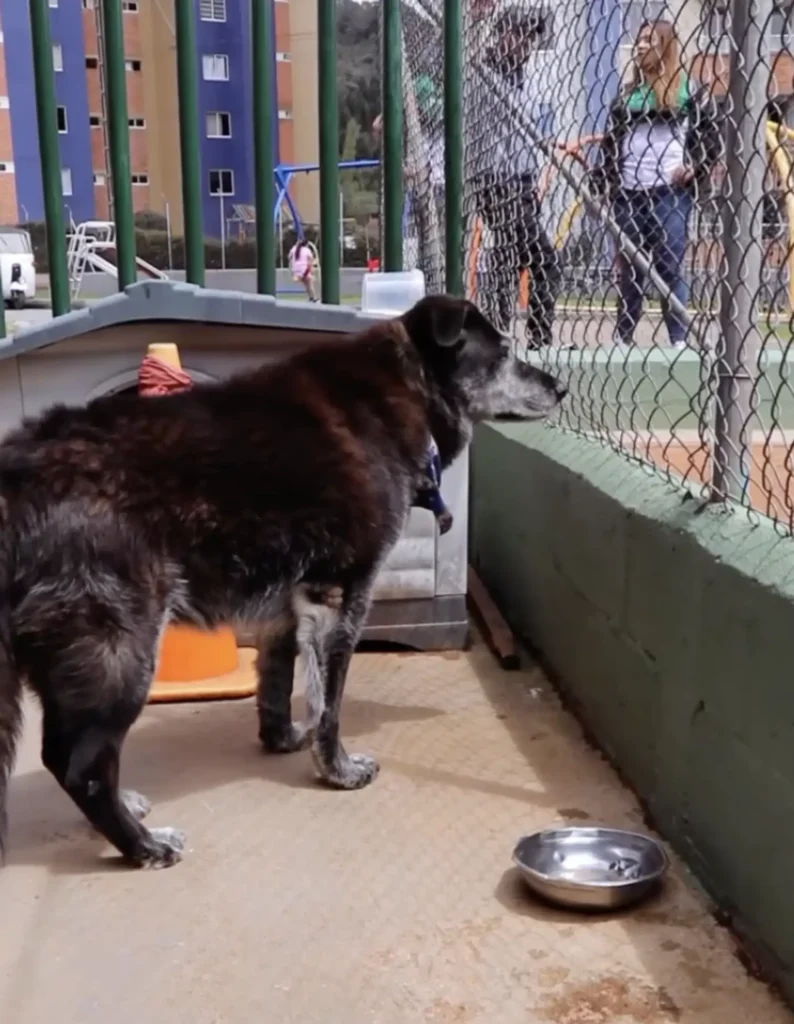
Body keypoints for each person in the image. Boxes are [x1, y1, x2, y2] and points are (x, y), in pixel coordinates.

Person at [559, 18, 722, 349]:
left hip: (668, 194)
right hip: (629, 195)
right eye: (640, 39)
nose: (641, 45)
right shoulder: (628, 96)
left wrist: (695, 166)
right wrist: (601, 186)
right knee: (631, 272)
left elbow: (712, 137)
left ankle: (678, 341)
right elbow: (611, 146)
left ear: (666, 46)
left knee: (669, 267)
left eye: (649, 40)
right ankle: (623, 337)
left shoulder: (688, 92)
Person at [469, 7, 561, 348]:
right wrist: (477, 20)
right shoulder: (482, 69)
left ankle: (498, 335)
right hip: (494, 178)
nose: (525, 43)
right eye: (518, 34)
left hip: (521, 180)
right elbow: (467, 54)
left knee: (510, 257)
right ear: (502, 35)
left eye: (529, 37)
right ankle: (538, 336)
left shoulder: (527, 78)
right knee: (544, 258)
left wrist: (534, 178)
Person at [288, 237, 317, 303]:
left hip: (296, 270)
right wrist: (311, 270)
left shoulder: (294, 248)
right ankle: (314, 298)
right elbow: (310, 260)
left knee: (306, 284)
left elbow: (289, 257)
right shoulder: (307, 250)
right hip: (304, 269)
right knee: (309, 284)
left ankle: (311, 297)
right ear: (306, 244)